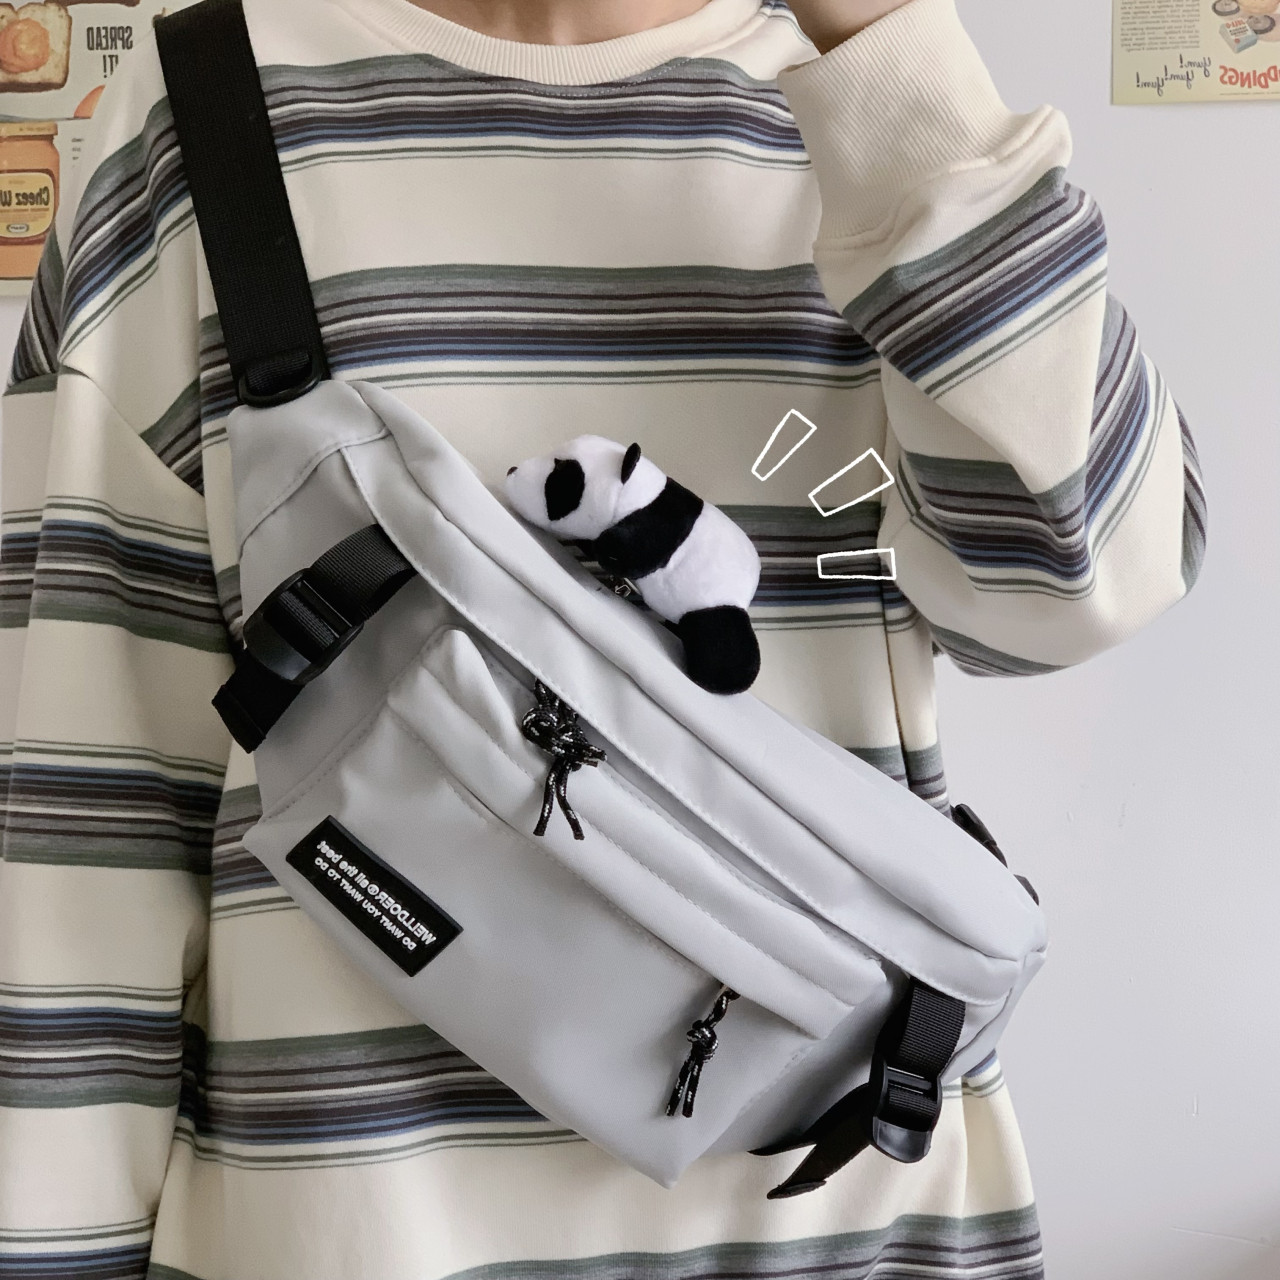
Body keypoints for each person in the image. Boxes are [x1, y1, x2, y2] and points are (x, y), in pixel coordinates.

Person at [0, 0, 1207, 1276]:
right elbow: (83, 831)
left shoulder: (879, 113)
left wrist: (889, 59)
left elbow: (1082, 586)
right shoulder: (201, 108)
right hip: (355, 1229)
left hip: (841, 1218)